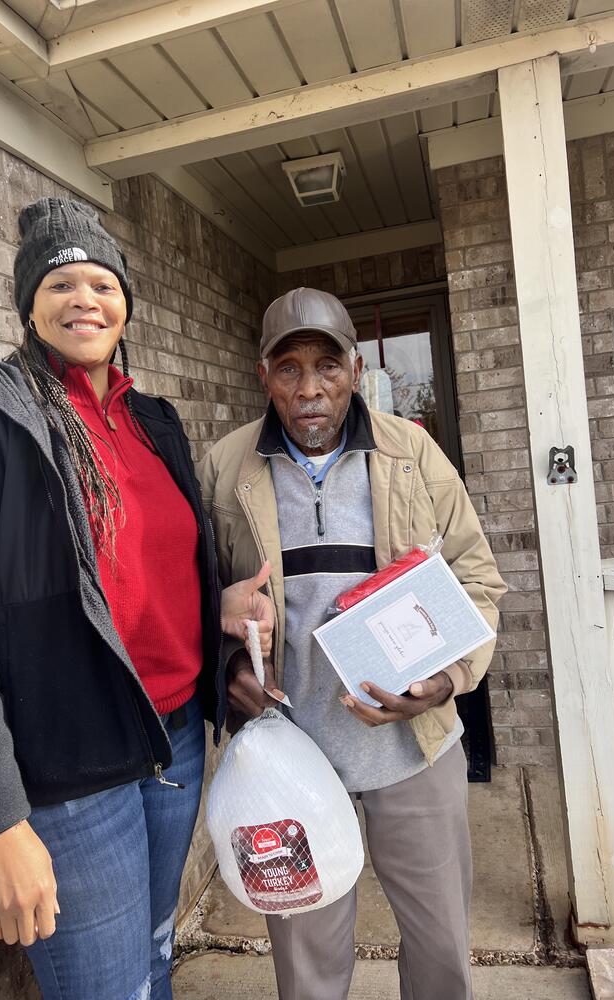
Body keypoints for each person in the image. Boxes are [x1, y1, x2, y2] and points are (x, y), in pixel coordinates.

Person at [0, 197, 273, 1000]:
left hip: (172, 747)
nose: (85, 300)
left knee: (152, 966)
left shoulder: (153, 421)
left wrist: (218, 607)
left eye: (102, 283)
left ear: (125, 303)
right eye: (61, 283)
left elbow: (153, 570)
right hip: (70, 777)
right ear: (28, 305)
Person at [198, 287, 507, 1000]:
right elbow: (192, 602)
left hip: (413, 748)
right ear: (263, 376)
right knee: (306, 968)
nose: (310, 389)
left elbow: (478, 578)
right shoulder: (225, 468)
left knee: (441, 949)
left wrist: (449, 678)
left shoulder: (412, 452)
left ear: (357, 370)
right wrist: (222, 657)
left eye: (328, 367)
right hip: (290, 760)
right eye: (289, 369)